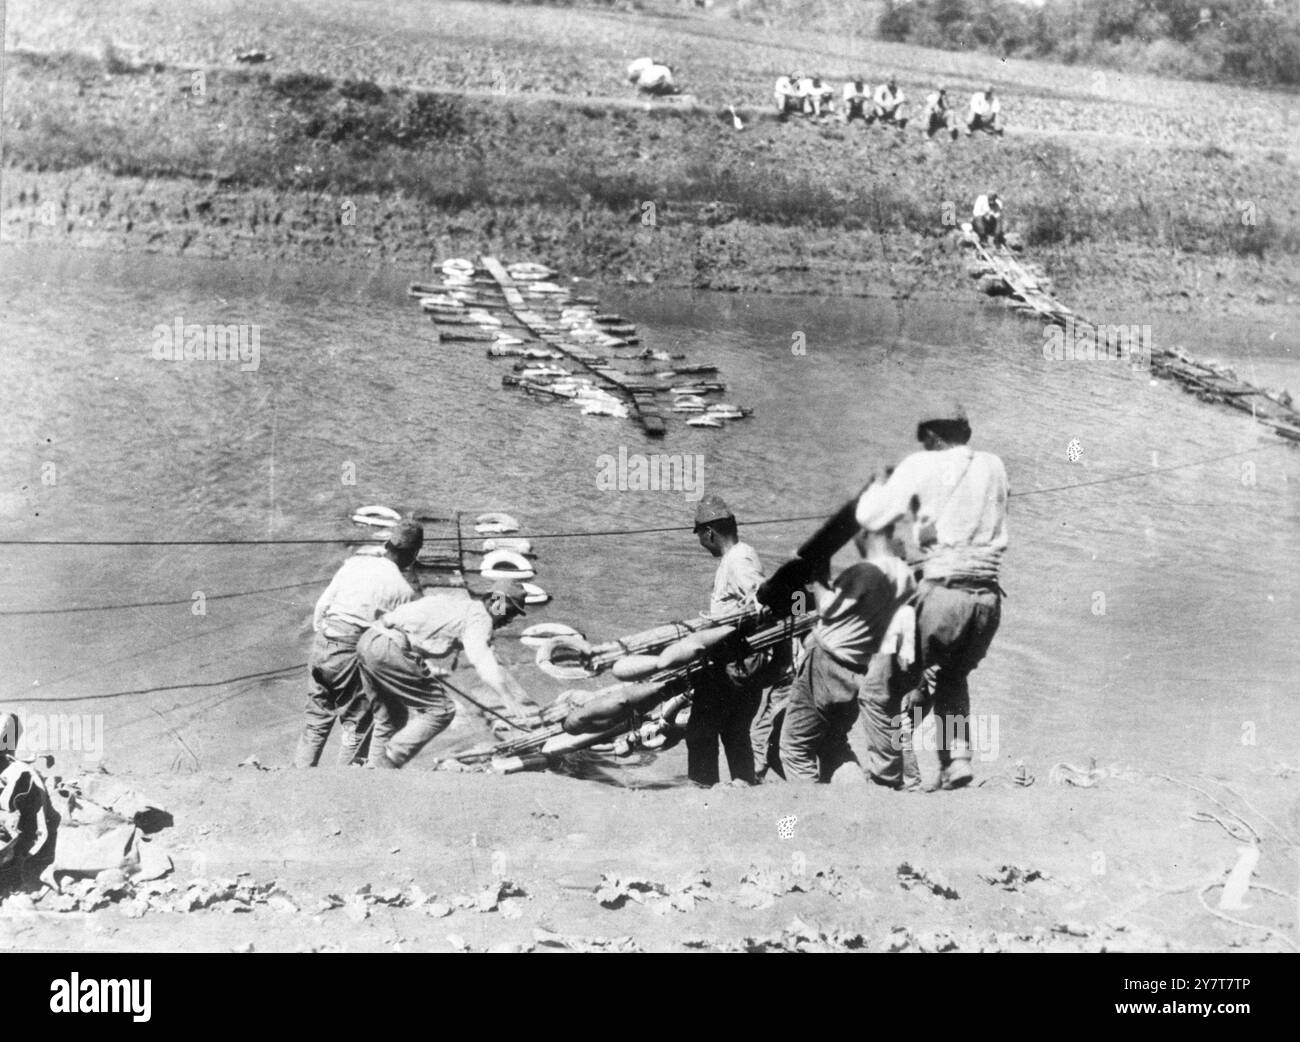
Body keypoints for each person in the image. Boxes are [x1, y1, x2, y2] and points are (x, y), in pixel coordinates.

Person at [855, 409, 1008, 789]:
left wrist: (877, 484)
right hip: (988, 599)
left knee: (879, 690)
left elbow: (871, 517)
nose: (921, 444)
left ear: (934, 435)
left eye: (923, 437)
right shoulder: (994, 465)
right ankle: (957, 759)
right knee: (953, 677)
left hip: (945, 595)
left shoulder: (922, 463)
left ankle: (887, 778)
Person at [778, 522, 916, 785]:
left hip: (827, 663)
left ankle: (811, 810)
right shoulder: (904, 576)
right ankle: (853, 798)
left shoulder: (867, 572)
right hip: (860, 669)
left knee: (795, 748)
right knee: (832, 742)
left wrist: (814, 569)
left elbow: (828, 608)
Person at [358, 579, 535, 768]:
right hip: (389, 647)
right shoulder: (480, 616)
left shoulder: (457, 603)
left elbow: (420, 622)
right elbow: (482, 659)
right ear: (495, 601)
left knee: (391, 715)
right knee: (442, 709)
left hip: (370, 639)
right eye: (510, 611)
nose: (509, 619)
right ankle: (390, 760)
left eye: (515, 614)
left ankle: (365, 769)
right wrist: (507, 698)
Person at [294, 520, 422, 768]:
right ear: (414, 555)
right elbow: (398, 642)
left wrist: (328, 638)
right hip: (351, 656)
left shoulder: (355, 564)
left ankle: (300, 777)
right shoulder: (403, 591)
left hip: (323, 645)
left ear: (386, 544)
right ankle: (345, 784)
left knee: (316, 720)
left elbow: (321, 608)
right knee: (355, 726)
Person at [686, 494, 766, 786]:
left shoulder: (738, 559)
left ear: (709, 532)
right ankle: (742, 785)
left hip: (729, 665)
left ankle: (704, 790)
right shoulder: (739, 555)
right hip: (738, 663)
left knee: (700, 733)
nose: (700, 543)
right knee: (734, 733)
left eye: (700, 536)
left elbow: (761, 598)